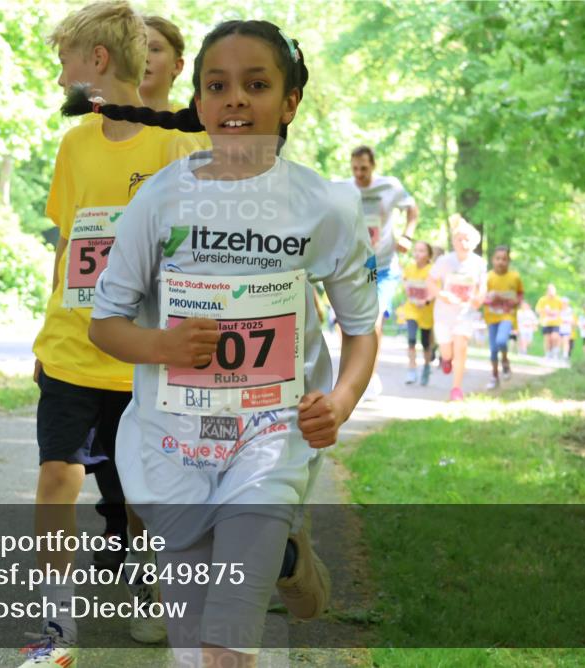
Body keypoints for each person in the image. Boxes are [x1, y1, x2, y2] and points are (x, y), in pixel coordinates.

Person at [86, 20, 379, 667]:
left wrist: (342, 401)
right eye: (218, 85)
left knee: (221, 650)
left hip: (271, 441)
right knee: (190, 649)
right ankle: (286, 556)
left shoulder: (326, 205)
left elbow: (361, 327)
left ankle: (269, 539)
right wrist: (164, 348)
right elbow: (104, 324)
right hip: (173, 444)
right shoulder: (159, 201)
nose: (236, 99)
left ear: (290, 101)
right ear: (198, 103)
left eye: (257, 84)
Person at [24, 3, 205, 663]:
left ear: (96, 61)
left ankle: (154, 590)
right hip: (73, 347)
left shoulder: (179, 146)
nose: (61, 76)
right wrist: (45, 332)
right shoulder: (75, 144)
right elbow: (68, 245)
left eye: (66, 61)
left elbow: (199, 256)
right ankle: (57, 627)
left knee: (140, 498)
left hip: (145, 358)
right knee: (56, 476)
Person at [342, 145, 419, 400]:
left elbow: (412, 208)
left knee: (374, 323)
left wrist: (407, 235)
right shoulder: (343, 188)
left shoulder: (390, 187)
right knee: (351, 326)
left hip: (384, 267)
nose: (359, 174)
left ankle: (368, 379)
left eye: (363, 169)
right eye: (354, 169)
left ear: (373, 165)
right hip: (355, 268)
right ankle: (349, 379)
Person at [427, 214, 487, 402]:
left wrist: (479, 299)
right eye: (459, 239)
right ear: (453, 241)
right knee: (447, 351)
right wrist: (441, 294)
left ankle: (456, 389)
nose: (463, 242)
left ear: (474, 242)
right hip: (444, 314)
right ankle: (446, 359)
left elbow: (482, 286)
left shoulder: (478, 263)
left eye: (467, 239)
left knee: (460, 347)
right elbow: (430, 281)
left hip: (465, 313)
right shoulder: (445, 261)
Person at [483, 245, 523, 389]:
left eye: (504, 259)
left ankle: (505, 361)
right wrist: (490, 299)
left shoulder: (515, 277)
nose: (501, 262)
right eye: (498, 259)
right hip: (492, 316)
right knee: (493, 349)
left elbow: (520, 294)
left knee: (501, 341)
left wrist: (515, 302)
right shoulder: (488, 277)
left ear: (508, 261)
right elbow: (481, 297)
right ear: (493, 260)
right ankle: (494, 376)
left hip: (507, 315)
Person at [402, 240, 435, 386]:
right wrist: (407, 288)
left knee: (425, 343)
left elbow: (435, 291)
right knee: (411, 339)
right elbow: (405, 282)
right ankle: (411, 368)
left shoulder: (432, 270)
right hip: (411, 310)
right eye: (416, 250)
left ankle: (426, 367)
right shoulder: (409, 268)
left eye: (421, 251)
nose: (417, 253)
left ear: (429, 255)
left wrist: (426, 301)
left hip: (426, 313)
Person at [535, 284, 563, 360]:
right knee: (547, 339)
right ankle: (548, 354)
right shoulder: (542, 300)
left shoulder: (558, 300)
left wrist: (555, 312)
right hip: (545, 322)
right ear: (547, 291)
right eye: (550, 291)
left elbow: (562, 310)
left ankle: (555, 352)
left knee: (554, 337)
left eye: (553, 291)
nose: (552, 293)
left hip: (556, 322)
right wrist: (545, 311)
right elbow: (537, 310)